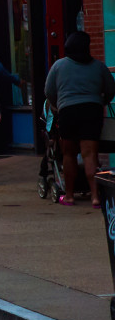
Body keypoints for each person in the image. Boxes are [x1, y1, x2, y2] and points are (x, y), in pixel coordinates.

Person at [44, 30, 115, 207]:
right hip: (92, 111)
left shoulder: (58, 66)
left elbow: (49, 92)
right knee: (90, 154)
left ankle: (69, 196)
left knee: (69, 154)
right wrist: (101, 102)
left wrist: (57, 105)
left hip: (67, 111)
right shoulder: (99, 66)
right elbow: (111, 90)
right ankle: (95, 197)